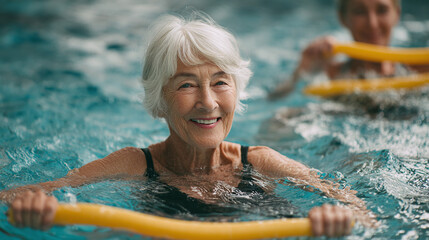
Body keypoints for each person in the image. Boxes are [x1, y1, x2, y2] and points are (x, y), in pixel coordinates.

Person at [1, 13, 373, 237]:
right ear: (159, 99)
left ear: (236, 90)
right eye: (186, 84)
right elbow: (28, 194)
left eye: (220, 81)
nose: (208, 102)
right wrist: (34, 207)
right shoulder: (135, 166)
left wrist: (336, 219)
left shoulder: (260, 162)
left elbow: (365, 215)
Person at [269, 0, 429, 100]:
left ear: (397, 14)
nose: (372, 23)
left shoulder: (420, 70)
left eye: (382, 10)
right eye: (360, 12)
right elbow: (273, 100)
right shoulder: (330, 75)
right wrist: (302, 73)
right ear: (343, 18)